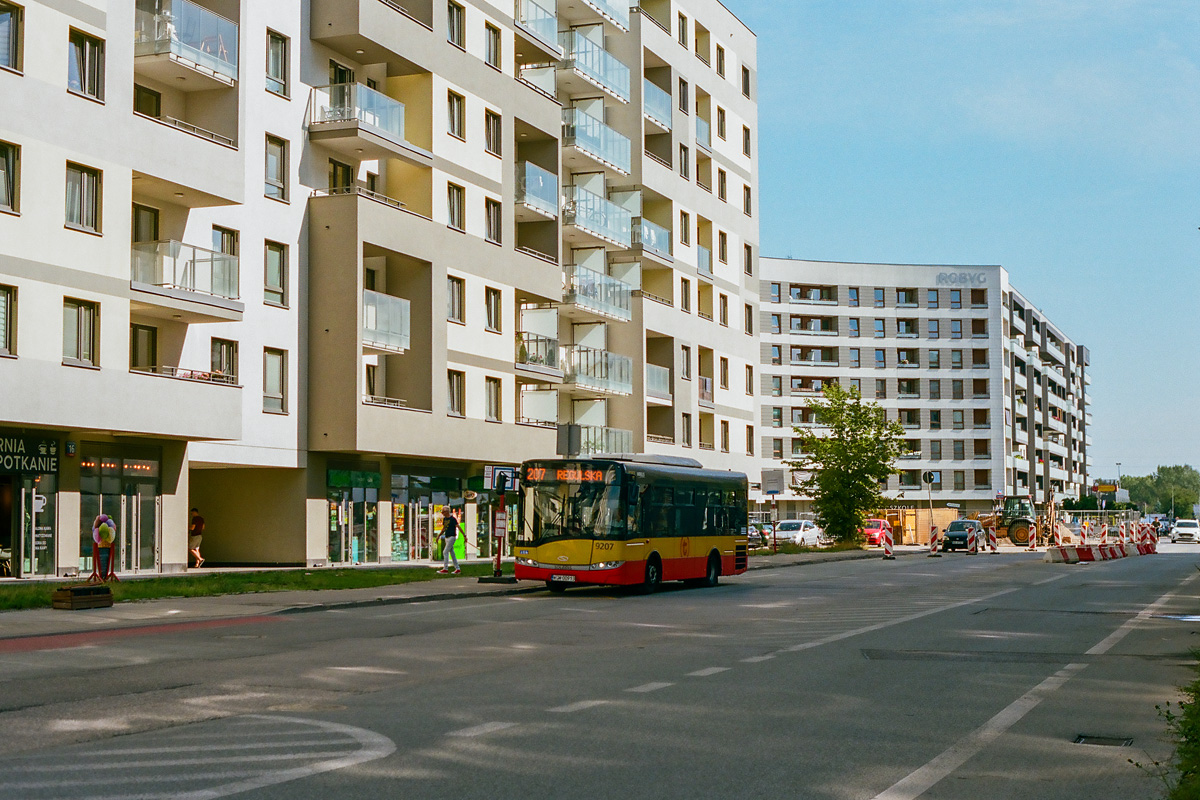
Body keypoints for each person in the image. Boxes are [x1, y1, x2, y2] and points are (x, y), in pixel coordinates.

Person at [437, 505, 460, 574]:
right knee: (452, 553)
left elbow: (458, 527)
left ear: (447, 512)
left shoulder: (453, 519)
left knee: (445, 552)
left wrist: (464, 535)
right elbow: (444, 528)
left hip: (452, 537)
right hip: (447, 537)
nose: (442, 513)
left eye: (443, 511)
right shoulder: (445, 519)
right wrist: (439, 535)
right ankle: (457, 568)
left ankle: (445, 569)